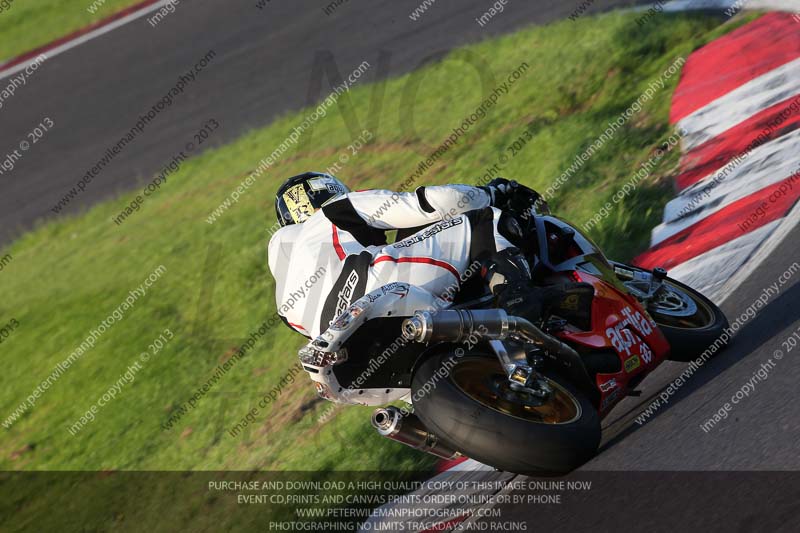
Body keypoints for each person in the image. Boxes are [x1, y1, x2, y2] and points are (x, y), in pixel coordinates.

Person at [268, 171, 588, 339]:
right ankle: (522, 300)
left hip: (339, 351)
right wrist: (495, 193)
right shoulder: (337, 210)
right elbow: (433, 202)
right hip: (380, 288)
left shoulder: (285, 300)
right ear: (330, 193)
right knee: (483, 219)